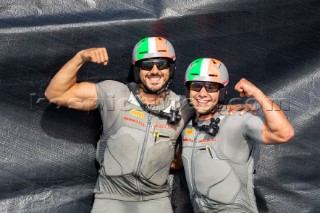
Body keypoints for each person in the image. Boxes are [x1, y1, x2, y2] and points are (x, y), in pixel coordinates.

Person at [45, 36, 195, 213]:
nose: (155, 71)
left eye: (161, 64)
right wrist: (80, 57)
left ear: (171, 69)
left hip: (156, 200)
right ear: (137, 69)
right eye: (147, 65)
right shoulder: (115, 94)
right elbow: (56, 93)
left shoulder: (184, 106)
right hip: (110, 199)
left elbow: (224, 113)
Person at [179, 58, 295, 213]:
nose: (202, 93)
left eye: (211, 87)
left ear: (221, 91)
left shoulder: (237, 120)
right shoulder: (188, 125)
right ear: (188, 90)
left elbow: (284, 134)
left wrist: (256, 93)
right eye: (196, 86)